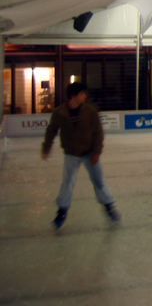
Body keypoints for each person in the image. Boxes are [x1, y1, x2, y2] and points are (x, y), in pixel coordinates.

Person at [41, 82, 121, 230]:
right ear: (73, 96)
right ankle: (62, 212)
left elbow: (98, 132)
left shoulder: (90, 110)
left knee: (99, 181)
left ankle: (109, 207)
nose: (85, 96)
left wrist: (96, 152)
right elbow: (51, 130)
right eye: (82, 93)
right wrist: (46, 147)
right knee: (67, 183)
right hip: (71, 154)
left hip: (90, 152)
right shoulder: (59, 112)